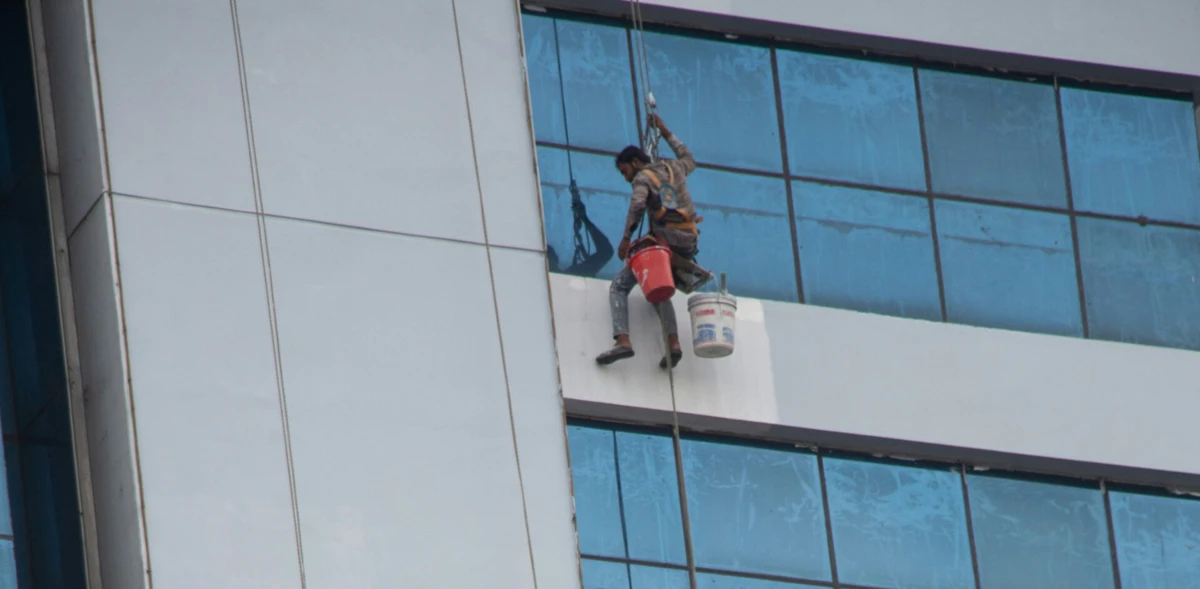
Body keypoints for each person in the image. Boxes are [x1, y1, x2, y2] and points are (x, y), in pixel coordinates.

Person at [596, 114, 699, 369]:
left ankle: (623, 341)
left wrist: (626, 239)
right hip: (688, 241)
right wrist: (665, 131)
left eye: (625, 171)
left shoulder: (642, 178)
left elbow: (638, 204)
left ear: (635, 162)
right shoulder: (674, 167)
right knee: (657, 285)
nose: (626, 178)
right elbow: (689, 159)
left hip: (666, 240)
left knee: (619, 287)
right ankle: (673, 344)